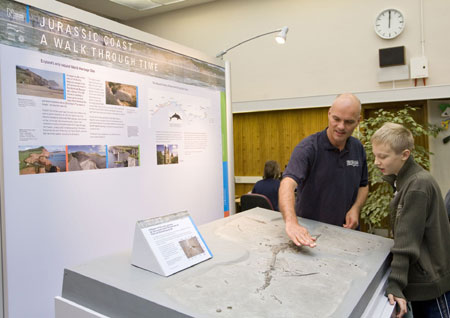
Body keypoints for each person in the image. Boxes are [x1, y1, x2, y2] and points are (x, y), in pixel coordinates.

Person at [371, 123, 450, 318]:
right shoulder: (404, 181)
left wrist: (395, 284)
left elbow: (407, 242)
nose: (376, 162)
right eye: (375, 155)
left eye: (383, 156)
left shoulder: (417, 185)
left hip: (432, 284)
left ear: (404, 155)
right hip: (424, 280)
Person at [279, 93, 368, 247]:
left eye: (348, 122)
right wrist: (291, 222)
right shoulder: (308, 148)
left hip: (346, 235)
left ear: (358, 121)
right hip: (311, 237)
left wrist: (355, 208)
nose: (341, 126)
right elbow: (287, 184)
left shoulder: (358, 148)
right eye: (336, 119)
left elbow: (363, 185)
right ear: (329, 114)